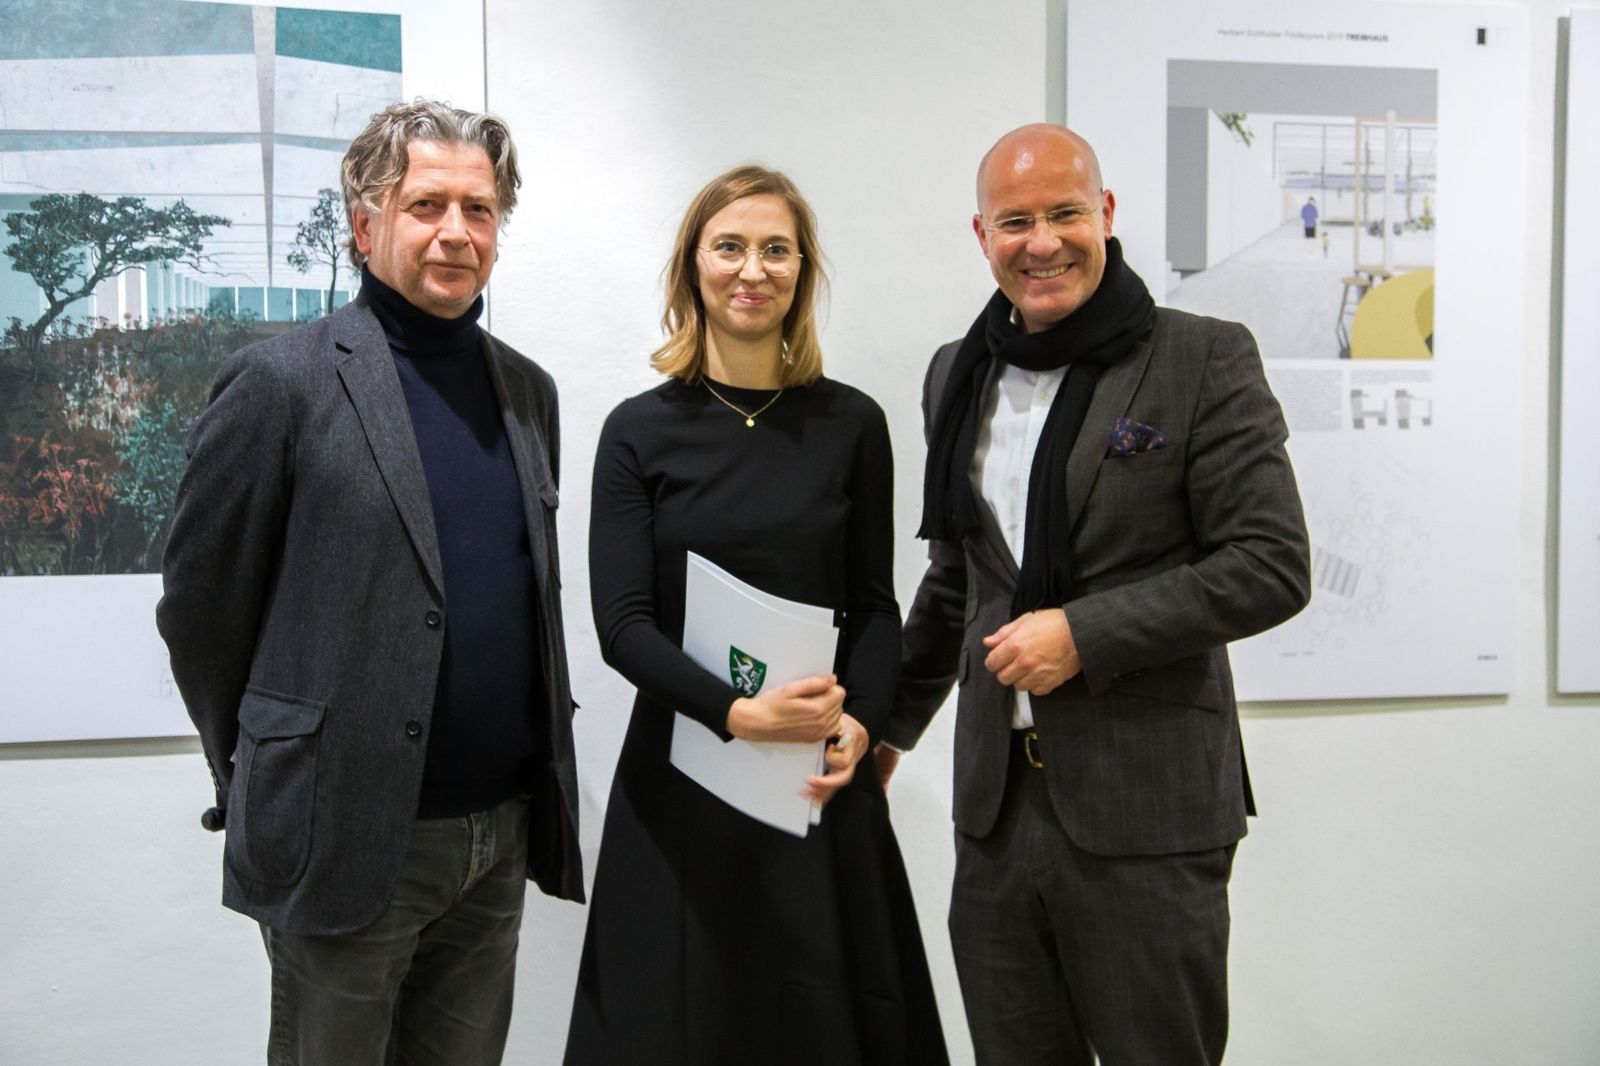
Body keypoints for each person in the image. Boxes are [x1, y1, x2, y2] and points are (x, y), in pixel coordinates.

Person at [156, 100, 582, 1065]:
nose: (456, 232)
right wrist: (266, 768)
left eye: (479, 209)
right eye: (426, 204)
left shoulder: (528, 391)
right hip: (344, 830)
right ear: (364, 224)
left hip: (498, 835)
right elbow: (200, 611)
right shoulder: (280, 383)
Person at [878, 124, 1311, 1064]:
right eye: (1015, 222)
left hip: (1146, 809)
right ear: (982, 235)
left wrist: (1084, 632)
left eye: (1066, 213)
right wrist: (888, 726)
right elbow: (958, 581)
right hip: (994, 815)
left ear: (1106, 213)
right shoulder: (956, 372)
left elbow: (1270, 563)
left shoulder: (1201, 357)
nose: (1043, 242)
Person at [566, 165, 947, 1065]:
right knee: (675, 1025)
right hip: (681, 782)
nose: (753, 269)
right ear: (692, 266)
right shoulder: (637, 430)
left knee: (822, 1026)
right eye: (729, 246)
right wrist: (737, 715)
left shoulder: (853, 424)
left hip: (814, 778)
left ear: (802, 270)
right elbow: (623, 625)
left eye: (776, 249)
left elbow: (874, 605)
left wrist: (864, 723)